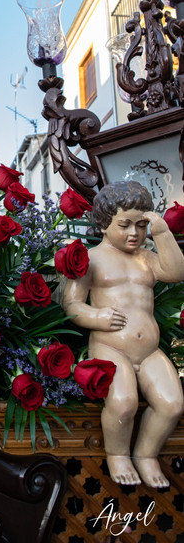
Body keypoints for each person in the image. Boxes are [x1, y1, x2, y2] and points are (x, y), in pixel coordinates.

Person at [63, 181, 184, 488]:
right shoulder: (91, 258)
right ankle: (117, 454)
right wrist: (97, 316)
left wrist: (162, 233)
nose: (134, 233)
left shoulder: (146, 258)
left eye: (141, 226)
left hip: (150, 351)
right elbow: (71, 305)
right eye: (125, 225)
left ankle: (146, 454)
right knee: (123, 402)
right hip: (110, 346)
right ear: (105, 224)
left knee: (172, 404)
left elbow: (176, 272)